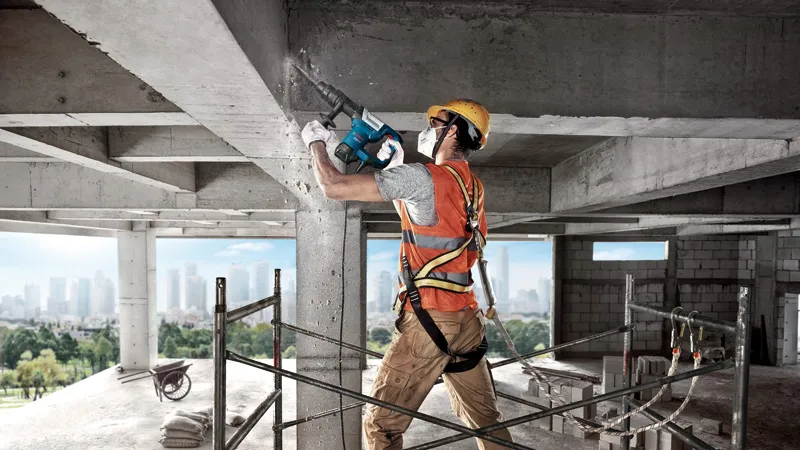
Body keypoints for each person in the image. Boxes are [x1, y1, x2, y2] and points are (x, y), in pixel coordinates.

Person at [301, 99, 513, 450]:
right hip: (466, 320)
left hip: (430, 322)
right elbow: (426, 216)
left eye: (436, 122)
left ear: (454, 131)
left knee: (381, 425)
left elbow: (333, 186)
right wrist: (396, 167)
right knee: (486, 421)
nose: (428, 127)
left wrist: (316, 143)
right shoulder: (472, 187)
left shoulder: (423, 177)